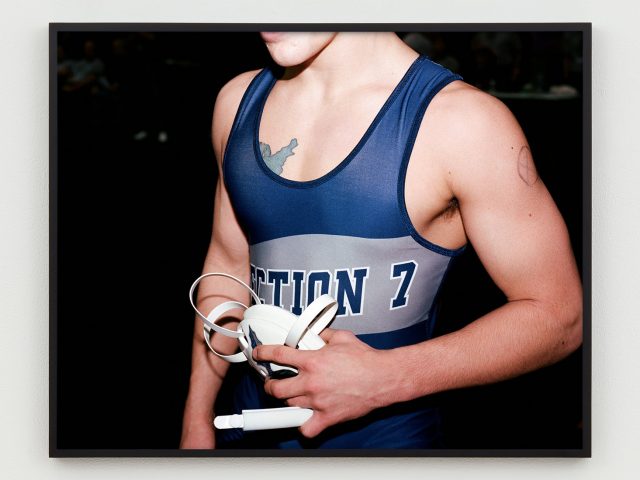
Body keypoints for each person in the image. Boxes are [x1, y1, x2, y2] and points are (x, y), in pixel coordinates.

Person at [180, 31, 582, 449]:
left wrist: (386, 377)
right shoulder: (237, 102)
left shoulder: (460, 121)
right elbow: (227, 265)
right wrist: (197, 420)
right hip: (247, 432)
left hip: (389, 445)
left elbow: (560, 316)